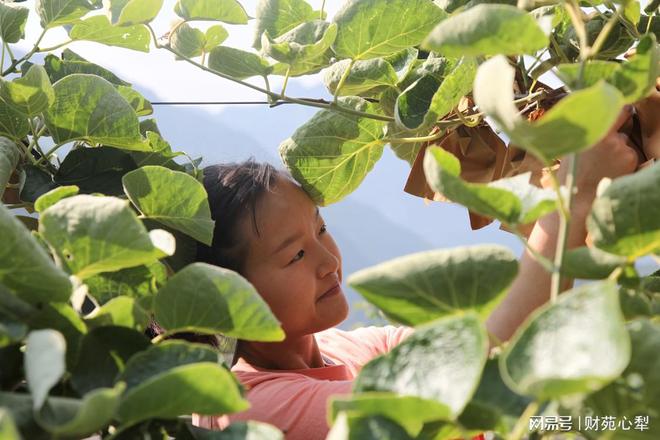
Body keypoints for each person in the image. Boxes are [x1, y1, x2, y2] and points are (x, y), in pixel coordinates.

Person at [191, 107, 640, 439]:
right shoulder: (250, 410)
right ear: (227, 294)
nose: (329, 262)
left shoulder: (343, 348)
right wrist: (572, 201)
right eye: (295, 256)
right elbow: (467, 381)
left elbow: (494, 344)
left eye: (321, 229)